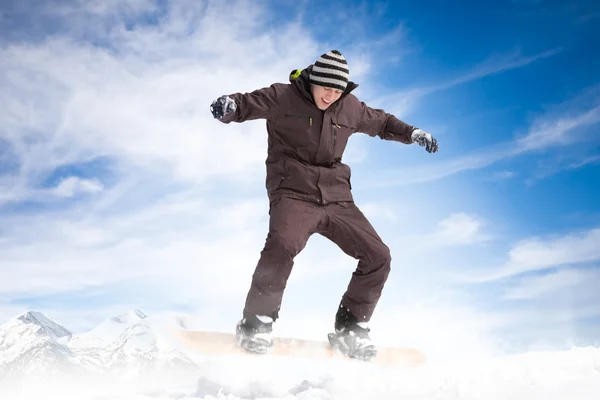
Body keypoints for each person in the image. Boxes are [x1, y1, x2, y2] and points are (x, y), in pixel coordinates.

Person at [210, 50, 439, 360]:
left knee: (378, 256)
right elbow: (246, 104)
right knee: (282, 244)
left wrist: (412, 133)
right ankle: (256, 323)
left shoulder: (349, 107)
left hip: (336, 198)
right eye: (326, 88)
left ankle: (350, 329)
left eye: (338, 90)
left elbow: (382, 123)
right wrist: (229, 106)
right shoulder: (283, 97)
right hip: (292, 192)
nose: (331, 96)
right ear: (313, 81)